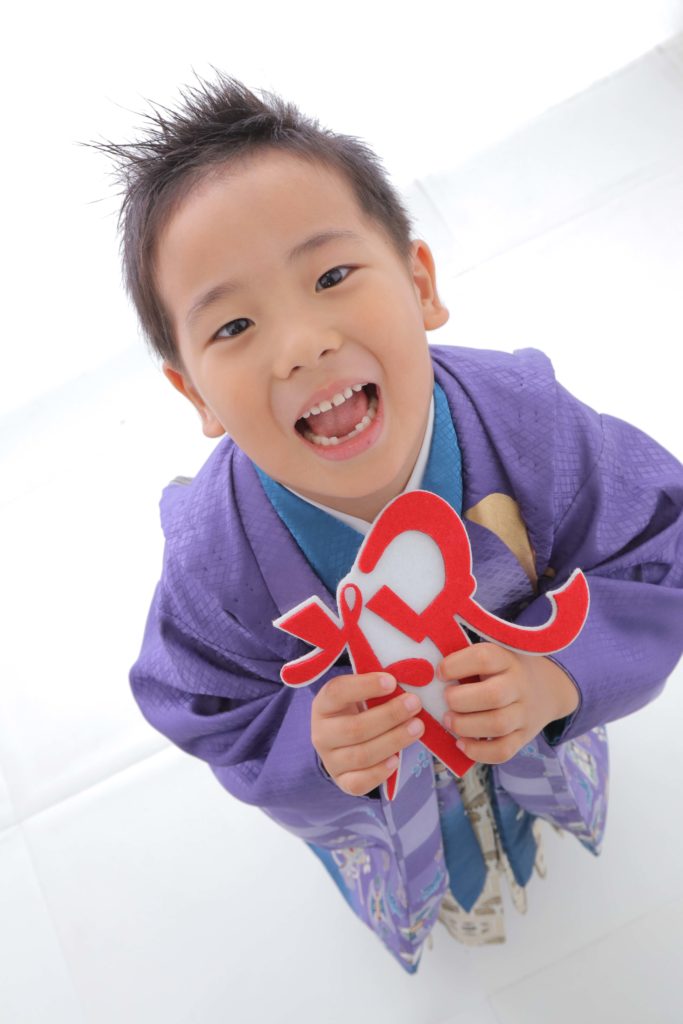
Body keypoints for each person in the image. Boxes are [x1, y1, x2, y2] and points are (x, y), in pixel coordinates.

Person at [101, 74, 683, 972]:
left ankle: (538, 835)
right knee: (440, 893)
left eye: (331, 276)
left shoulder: (526, 423)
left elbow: (658, 546)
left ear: (419, 283)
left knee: (545, 835)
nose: (301, 344)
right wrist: (312, 743)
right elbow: (202, 707)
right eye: (235, 325)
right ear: (195, 396)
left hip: (538, 732)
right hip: (385, 813)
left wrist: (555, 676)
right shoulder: (215, 559)